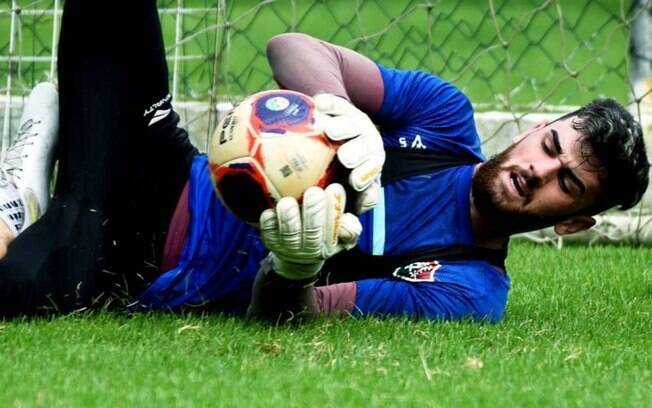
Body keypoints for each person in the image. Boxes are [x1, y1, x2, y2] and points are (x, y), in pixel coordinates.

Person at [0, 0, 648, 323]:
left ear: (573, 223)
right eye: (551, 146)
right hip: (155, 157)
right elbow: (293, 47)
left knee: (12, 283)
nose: (538, 168)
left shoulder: (469, 288)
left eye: (568, 183)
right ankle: (42, 158)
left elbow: (295, 309)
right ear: (539, 128)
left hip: (133, 259)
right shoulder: (444, 119)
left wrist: (294, 267)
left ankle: (26, 187)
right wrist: (345, 114)